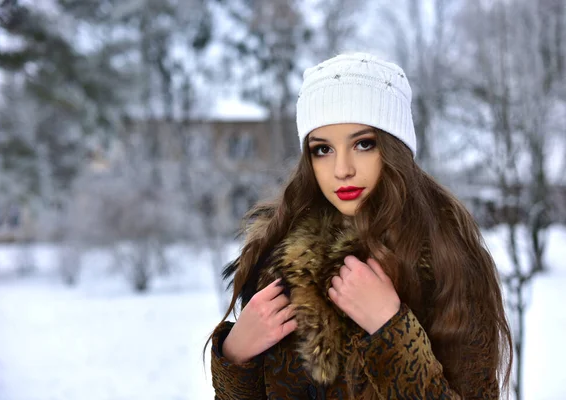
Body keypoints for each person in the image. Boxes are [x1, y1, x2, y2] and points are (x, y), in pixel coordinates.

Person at [206, 52, 512, 399]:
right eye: (323, 149)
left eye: (363, 144)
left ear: (395, 147)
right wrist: (235, 357)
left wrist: (392, 331)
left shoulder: (446, 256)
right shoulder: (278, 256)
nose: (342, 169)